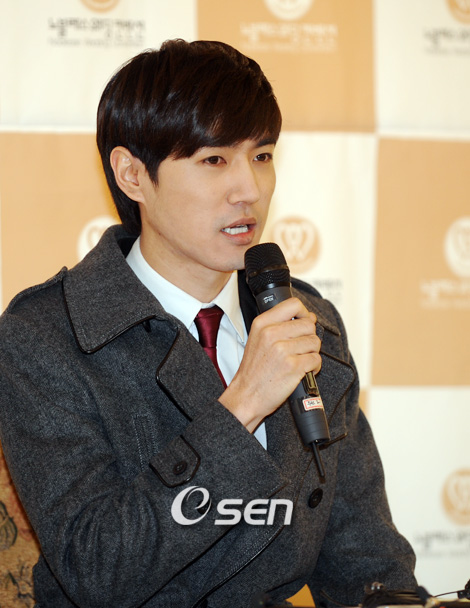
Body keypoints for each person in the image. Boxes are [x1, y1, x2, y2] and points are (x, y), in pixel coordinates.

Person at [0, 39, 416, 608]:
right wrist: (242, 404)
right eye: (214, 160)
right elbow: (95, 569)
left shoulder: (305, 319)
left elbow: (365, 559)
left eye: (262, 156)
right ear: (132, 175)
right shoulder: (48, 335)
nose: (250, 191)